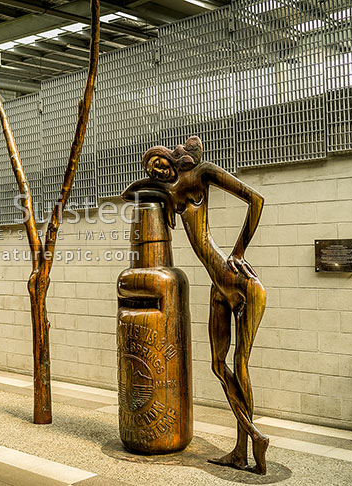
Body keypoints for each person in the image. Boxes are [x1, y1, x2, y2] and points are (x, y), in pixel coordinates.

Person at [122, 136, 269, 474]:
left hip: (241, 282)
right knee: (219, 365)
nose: (155, 169)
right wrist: (153, 181)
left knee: (241, 363)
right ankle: (242, 446)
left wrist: (239, 251)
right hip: (219, 287)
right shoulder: (169, 190)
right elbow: (130, 192)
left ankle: (251, 441)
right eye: (150, 167)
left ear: (172, 158)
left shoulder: (203, 172)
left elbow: (256, 199)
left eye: (157, 161)